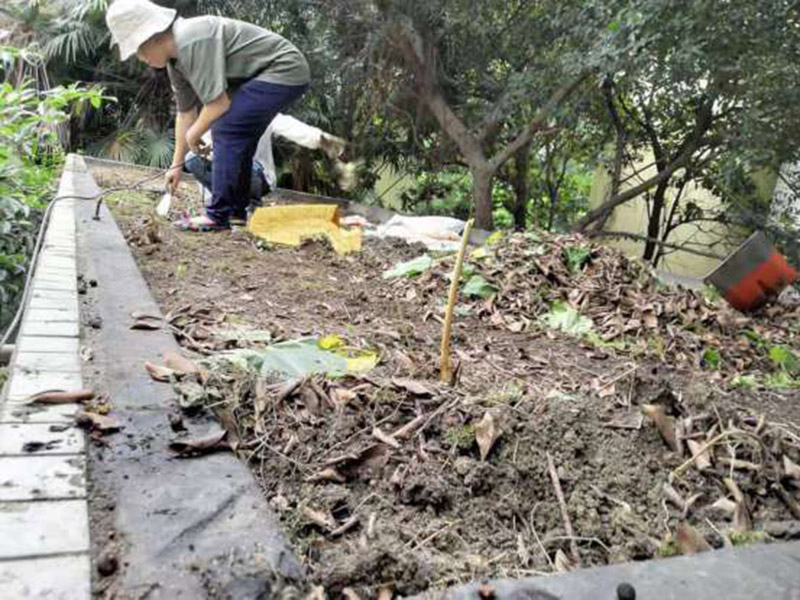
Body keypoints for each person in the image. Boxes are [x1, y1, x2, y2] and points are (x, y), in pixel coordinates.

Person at [105, 0, 310, 231]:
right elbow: (185, 113)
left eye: (138, 50)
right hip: (262, 76)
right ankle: (236, 212)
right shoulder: (176, 63)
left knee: (226, 127)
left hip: (283, 69)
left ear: (152, 37)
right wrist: (176, 165)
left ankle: (217, 216)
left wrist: (194, 135)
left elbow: (217, 104)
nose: (141, 58)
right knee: (238, 135)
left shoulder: (192, 38)